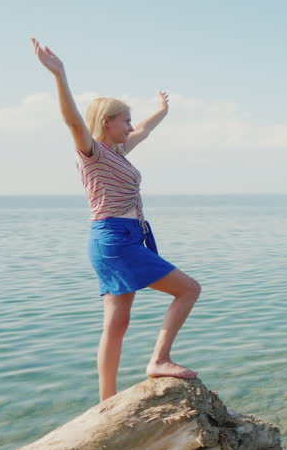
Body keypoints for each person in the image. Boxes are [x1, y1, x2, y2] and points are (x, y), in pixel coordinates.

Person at [32, 38, 202, 401]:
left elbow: (144, 130)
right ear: (107, 123)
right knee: (189, 289)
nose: (129, 126)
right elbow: (72, 120)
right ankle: (159, 359)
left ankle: (105, 401)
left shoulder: (119, 152)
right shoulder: (91, 152)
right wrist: (60, 75)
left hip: (121, 237)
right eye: (124, 120)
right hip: (113, 238)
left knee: (117, 323)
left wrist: (162, 110)